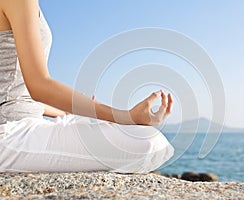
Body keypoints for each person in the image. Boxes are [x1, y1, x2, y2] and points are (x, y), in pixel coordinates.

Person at [0, 0, 174, 173]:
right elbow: (39, 86)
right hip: (10, 133)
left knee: (88, 122)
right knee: (150, 142)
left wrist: (66, 112)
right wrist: (125, 116)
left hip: (25, 123)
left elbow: (16, 93)